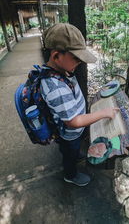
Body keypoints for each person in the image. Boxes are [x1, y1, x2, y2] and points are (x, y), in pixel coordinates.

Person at [40, 23, 119, 187]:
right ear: (56, 56)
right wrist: (104, 113)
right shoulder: (56, 88)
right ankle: (70, 174)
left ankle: (73, 154)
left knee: (70, 149)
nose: (80, 62)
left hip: (68, 131)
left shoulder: (61, 70)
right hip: (70, 133)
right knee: (70, 153)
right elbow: (74, 121)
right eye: (76, 58)